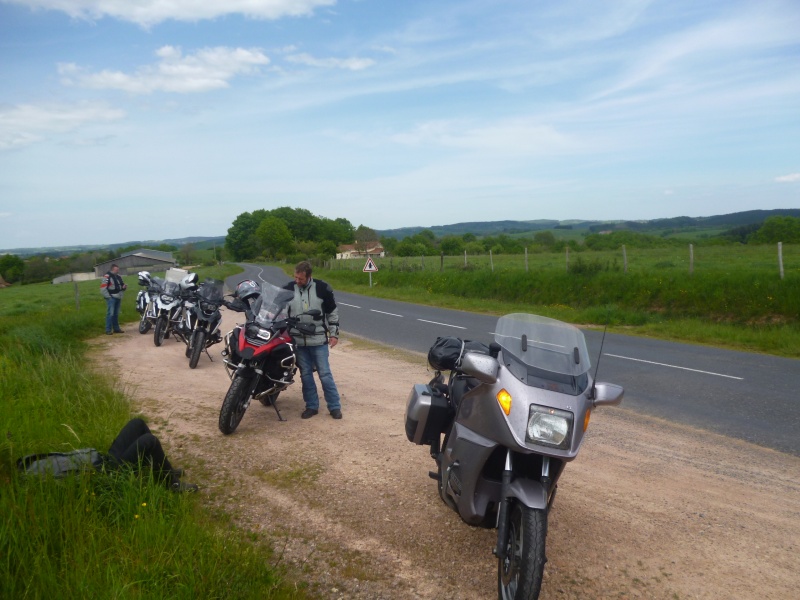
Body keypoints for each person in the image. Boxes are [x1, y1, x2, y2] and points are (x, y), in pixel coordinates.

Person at [283, 261, 343, 419]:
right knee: (306, 375)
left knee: (325, 374)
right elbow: (278, 310)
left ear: (309, 276)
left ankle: (334, 407)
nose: (297, 281)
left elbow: (332, 313)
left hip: (318, 340)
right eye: (295, 277)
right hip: (298, 341)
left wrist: (334, 334)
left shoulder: (323, 288)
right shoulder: (288, 288)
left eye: (301, 279)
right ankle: (311, 406)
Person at [107, 418, 198, 493]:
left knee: (138, 423)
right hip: (109, 472)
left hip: (106, 461)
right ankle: (172, 483)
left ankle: (164, 470)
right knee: (149, 441)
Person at [101, 264, 127, 335]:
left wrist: (124, 287)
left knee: (116, 314)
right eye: (116, 270)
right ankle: (108, 329)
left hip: (118, 297)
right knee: (110, 314)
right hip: (111, 297)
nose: (117, 271)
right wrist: (108, 297)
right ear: (112, 269)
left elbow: (121, 286)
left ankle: (116, 329)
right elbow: (103, 288)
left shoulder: (118, 277)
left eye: (118, 270)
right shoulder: (107, 276)